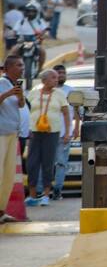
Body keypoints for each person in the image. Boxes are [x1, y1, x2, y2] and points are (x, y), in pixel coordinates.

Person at [24, 69, 70, 207]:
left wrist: (67, 132)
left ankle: (45, 195)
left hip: (52, 132)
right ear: (44, 80)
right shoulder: (33, 93)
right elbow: (25, 111)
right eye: (53, 77)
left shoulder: (60, 94)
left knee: (48, 163)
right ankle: (32, 195)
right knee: (32, 163)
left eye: (57, 78)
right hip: (35, 132)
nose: (56, 80)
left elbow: (67, 114)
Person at [0, 56, 26, 222]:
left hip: (12, 132)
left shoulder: (16, 84)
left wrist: (20, 96)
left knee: (8, 175)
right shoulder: (2, 83)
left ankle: (1, 210)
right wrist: (9, 93)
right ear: (9, 67)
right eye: (19, 65)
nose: (22, 67)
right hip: (1, 133)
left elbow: (21, 105)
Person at [50, 65, 79, 200]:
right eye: (58, 73)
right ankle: (42, 191)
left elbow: (77, 113)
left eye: (63, 73)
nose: (61, 75)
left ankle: (57, 190)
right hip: (48, 132)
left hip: (64, 134)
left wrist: (76, 128)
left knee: (61, 163)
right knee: (48, 163)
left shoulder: (71, 92)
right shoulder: (45, 91)